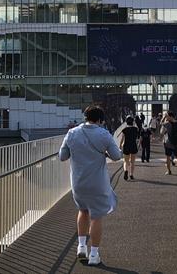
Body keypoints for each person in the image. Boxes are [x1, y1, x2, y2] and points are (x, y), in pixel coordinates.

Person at [59, 105, 122, 266]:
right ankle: (94, 254)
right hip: (97, 183)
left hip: (78, 182)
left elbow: (62, 156)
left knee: (83, 211)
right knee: (96, 216)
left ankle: (81, 247)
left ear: (85, 117)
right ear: (100, 120)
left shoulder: (72, 133)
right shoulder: (104, 134)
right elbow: (116, 156)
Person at [160, 112, 177, 176]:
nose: (167, 117)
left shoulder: (168, 124)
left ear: (171, 116)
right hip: (176, 143)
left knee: (168, 157)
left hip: (169, 143)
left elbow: (161, 123)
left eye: (167, 116)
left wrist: (164, 117)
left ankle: (169, 171)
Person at [119, 116, 139, 180]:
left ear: (126, 122)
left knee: (125, 161)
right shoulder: (136, 129)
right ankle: (131, 174)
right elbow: (137, 138)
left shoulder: (124, 130)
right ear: (133, 122)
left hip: (126, 146)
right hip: (133, 146)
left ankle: (125, 171)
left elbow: (122, 139)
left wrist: (120, 146)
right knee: (132, 162)